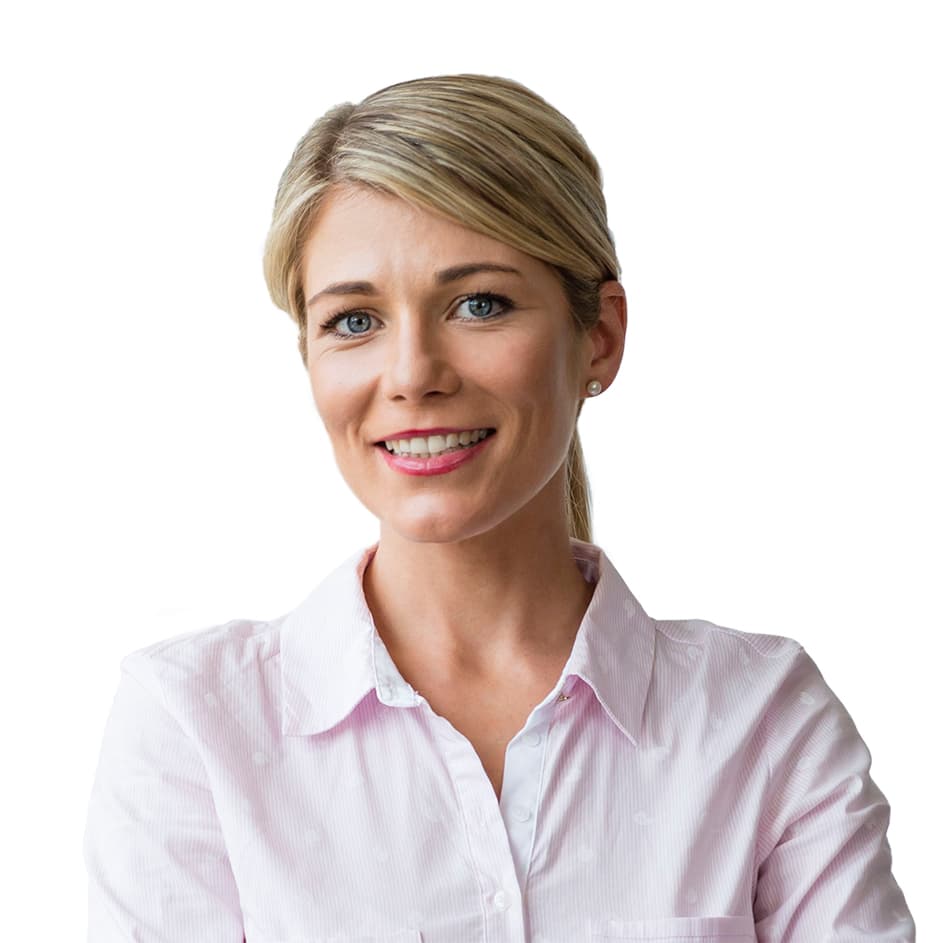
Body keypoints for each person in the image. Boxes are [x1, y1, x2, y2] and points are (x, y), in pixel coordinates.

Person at [82, 74, 916, 942]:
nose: (412, 374)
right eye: (354, 321)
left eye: (479, 304)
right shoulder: (192, 728)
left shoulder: (763, 719)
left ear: (600, 337)